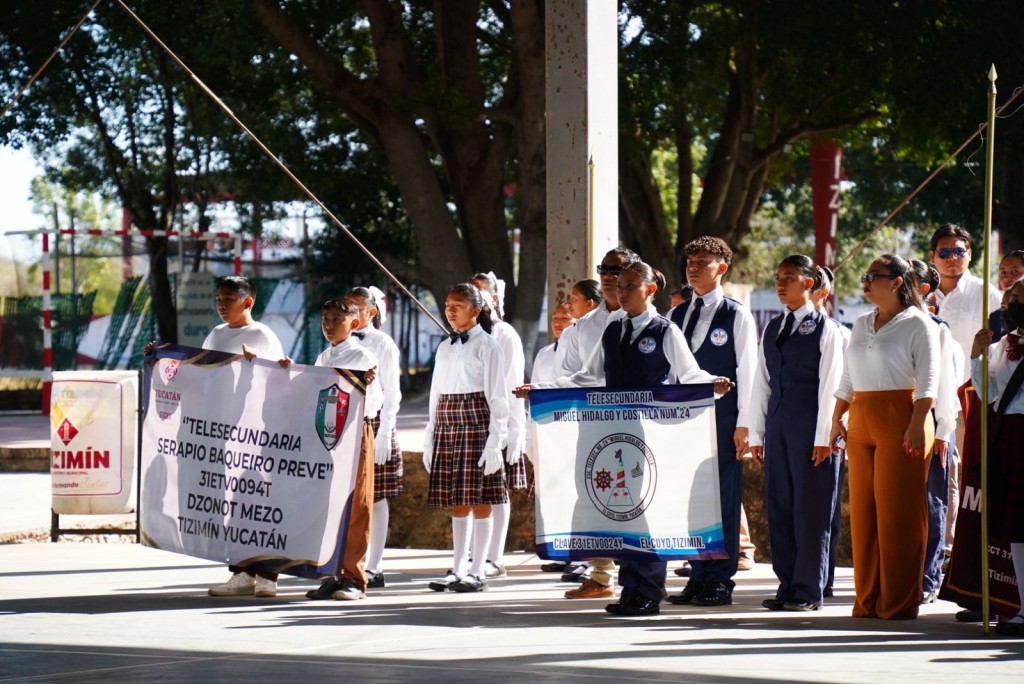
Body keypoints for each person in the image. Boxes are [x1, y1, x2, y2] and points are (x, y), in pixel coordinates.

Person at [517, 261, 733, 616]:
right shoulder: (612, 330)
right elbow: (586, 377)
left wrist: (713, 385)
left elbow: (689, 373)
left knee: (648, 510)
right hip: (614, 432)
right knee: (623, 512)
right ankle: (630, 588)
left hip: (651, 435)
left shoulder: (665, 331)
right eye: (619, 285)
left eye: (631, 285)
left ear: (650, 289)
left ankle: (649, 588)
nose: (622, 291)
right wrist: (539, 390)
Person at [829, 254, 940, 619]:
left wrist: (915, 423)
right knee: (863, 512)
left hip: (903, 416)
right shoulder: (860, 323)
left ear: (896, 282)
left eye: (873, 275)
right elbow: (848, 376)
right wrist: (836, 419)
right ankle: (868, 599)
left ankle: (899, 601)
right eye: (865, 274)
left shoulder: (919, 324)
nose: (865, 281)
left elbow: (928, 382)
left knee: (899, 513)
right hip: (861, 415)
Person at [534, 249, 640, 597]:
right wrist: (539, 392)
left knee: (635, 496)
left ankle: (641, 574)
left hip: (635, 422)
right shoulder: (584, 326)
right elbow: (567, 376)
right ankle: (599, 574)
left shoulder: (647, 319)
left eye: (618, 269)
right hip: (593, 422)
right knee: (593, 492)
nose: (610, 275)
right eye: (605, 270)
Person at [667, 236, 758, 608]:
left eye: (702, 261)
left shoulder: (737, 314)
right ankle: (698, 574)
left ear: (722, 267)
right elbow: (671, 370)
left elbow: (749, 372)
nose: (693, 267)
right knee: (692, 500)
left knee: (722, 498)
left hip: (723, 418)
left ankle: (720, 579)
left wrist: (745, 424)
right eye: (690, 260)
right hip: (685, 419)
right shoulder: (676, 314)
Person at [749, 255, 844, 612]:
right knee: (781, 507)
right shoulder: (773, 328)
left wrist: (824, 437)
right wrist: (758, 435)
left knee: (812, 510)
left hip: (811, 426)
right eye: (778, 277)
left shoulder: (825, 327)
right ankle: (787, 583)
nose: (781, 283)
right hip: (779, 425)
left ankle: (808, 589)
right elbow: (762, 383)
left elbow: (832, 386)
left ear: (809, 283)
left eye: (789, 277)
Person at [198, 275, 287, 598]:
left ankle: (268, 575)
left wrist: (257, 363)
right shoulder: (216, 335)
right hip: (224, 429)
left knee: (260, 501)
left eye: (228, 300)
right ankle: (240, 572)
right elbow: (200, 374)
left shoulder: (262, 334)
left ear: (247, 302)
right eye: (218, 299)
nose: (221, 306)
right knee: (233, 502)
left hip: (257, 430)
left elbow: (283, 376)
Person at [423, 284, 510, 593]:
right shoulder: (445, 346)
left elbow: (498, 397)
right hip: (448, 420)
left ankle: (477, 570)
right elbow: (435, 393)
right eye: (447, 304)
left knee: (481, 499)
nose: (450, 310)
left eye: (458, 305)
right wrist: (430, 435)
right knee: (457, 502)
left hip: (476, 420)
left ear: (475, 311)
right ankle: (458, 567)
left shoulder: (488, 346)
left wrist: (495, 441)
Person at [301, 298, 383, 601]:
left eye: (337, 319)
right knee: (329, 505)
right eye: (326, 318)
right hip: (326, 435)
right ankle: (331, 574)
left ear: (355, 323)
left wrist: (368, 386)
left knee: (356, 506)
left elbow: (374, 401)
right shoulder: (323, 357)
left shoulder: (363, 356)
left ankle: (354, 577)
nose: (329, 324)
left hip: (354, 432)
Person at [928, 224, 1001, 559]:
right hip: (926, 396)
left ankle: (952, 546)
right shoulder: (924, 294)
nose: (952, 258)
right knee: (932, 473)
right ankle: (930, 544)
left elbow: (1001, 346)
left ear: (970, 254)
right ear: (933, 257)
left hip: (969, 394)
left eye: (959, 251)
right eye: (945, 252)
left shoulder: (986, 294)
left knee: (959, 468)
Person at [970, 276, 1024, 636]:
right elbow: (987, 390)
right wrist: (977, 353)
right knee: (1016, 524)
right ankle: (1022, 606)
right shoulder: (1005, 344)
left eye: (1021, 296)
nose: (1013, 301)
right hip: (1010, 433)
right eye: (1011, 296)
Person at [909, 260, 962, 605]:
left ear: (925, 289)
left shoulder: (938, 330)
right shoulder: (882, 325)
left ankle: (927, 577)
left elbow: (947, 390)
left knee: (931, 503)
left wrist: (942, 432)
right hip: (896, 425)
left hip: (931, 427)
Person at [345, 286, 403, 589]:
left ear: (372, 311)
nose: (352, 312)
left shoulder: (383, 343)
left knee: (376, 495)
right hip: (342, 419)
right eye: (347, 307)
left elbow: (391, 391)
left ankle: (374, 565)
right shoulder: (336, 342)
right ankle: (345, 561)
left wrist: (385, 431)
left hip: (375, 420)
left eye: (357, 307)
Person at [470, 272, 526, 579]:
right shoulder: (465, 334)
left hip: (499, 418)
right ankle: (475, 554)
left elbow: (511, 381)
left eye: (479, 292)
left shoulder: (504, 334)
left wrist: (512, 428)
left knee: (496, 490)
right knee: (476, 491)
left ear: (493, 299)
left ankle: (495, 556)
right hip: (473, 420)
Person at [812, 266, 850, 599]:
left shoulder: (837, 332)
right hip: (792, 428)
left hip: (830, 432)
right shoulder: (778, 328)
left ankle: (824, 577)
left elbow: (841, 389)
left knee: (826, 507)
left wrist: (831, 432)